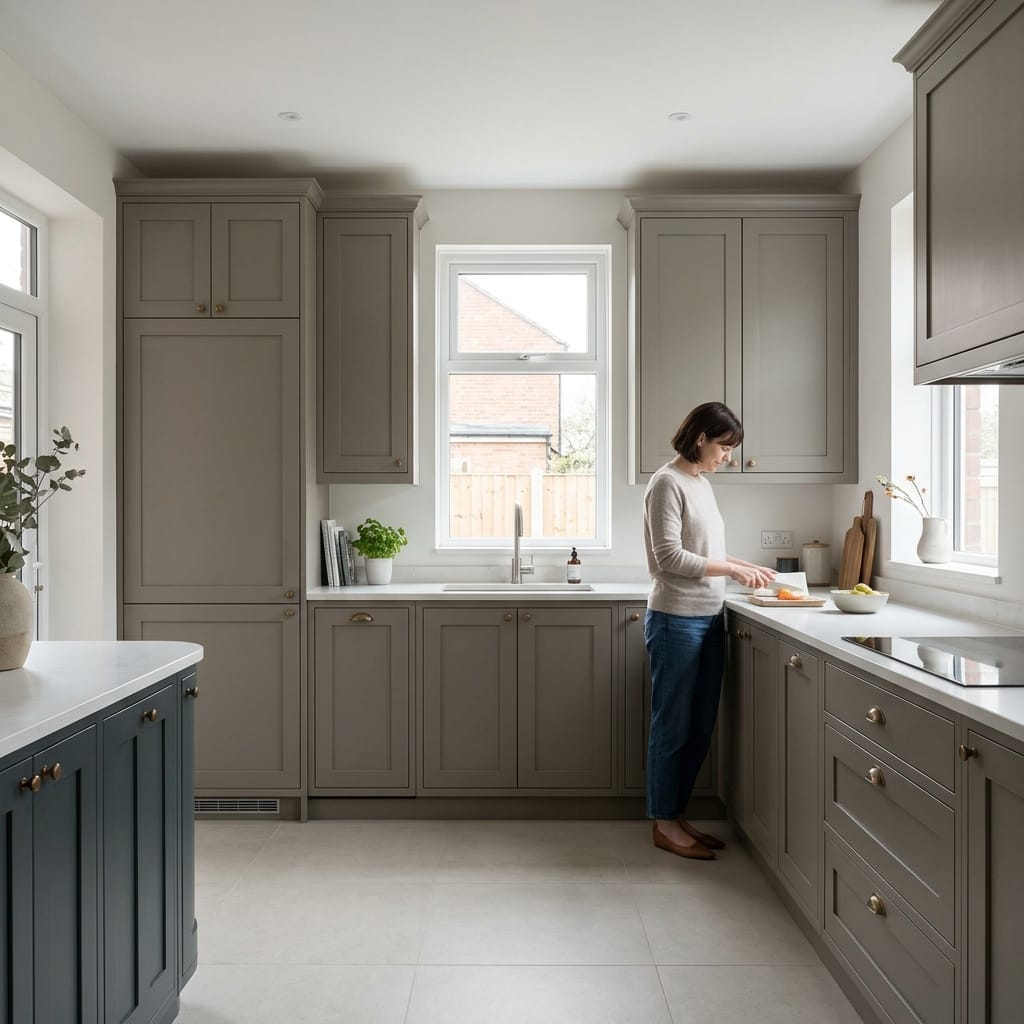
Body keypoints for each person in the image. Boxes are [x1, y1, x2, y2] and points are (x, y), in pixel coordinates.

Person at [643, 401, 776, 860]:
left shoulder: (700, 484)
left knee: (699, 727)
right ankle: (663, 822)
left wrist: (745, 565)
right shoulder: (667, 483)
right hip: (675, 620)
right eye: (725, 447)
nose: (729, 457)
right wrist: (733, 573)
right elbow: (670, 558)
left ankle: (677, 817)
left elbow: (707, 548)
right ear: (701, 439)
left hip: (708, 618)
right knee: (673, 726)